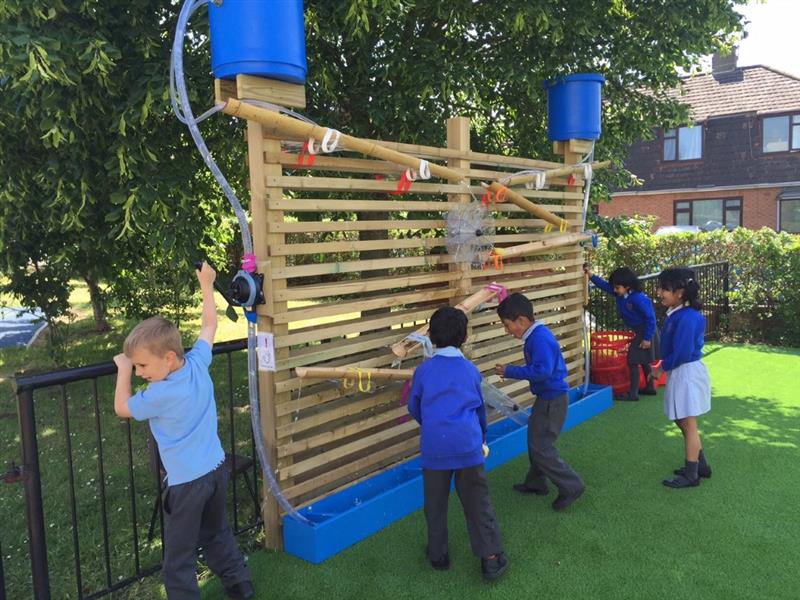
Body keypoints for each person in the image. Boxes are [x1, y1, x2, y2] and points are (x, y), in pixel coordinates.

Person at [113, 263, 254, 600]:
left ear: (169, 357)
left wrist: (121, 371)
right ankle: (241, 587)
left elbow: (122, 408)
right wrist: (207, 284)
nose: (139, 372)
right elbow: (209, 325)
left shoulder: (159, 394)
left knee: (178, 557)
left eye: (142, 366)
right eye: (135, 367)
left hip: (187, 485)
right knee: (217, 533)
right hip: (217, 471)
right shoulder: (195, 363)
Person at [407, 306, 508, 581]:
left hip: (434, 448)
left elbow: (414, 406)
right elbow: (479, 411)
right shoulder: (470, 371)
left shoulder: (423, 371)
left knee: (435, 505)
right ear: (464, 338)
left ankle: (438, 555)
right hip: (467, 445)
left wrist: (432, 426)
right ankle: (490, 559)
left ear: (431, 336)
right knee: (478, 502)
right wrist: (481, 437)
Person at [494, 293, 585, 511]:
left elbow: (542, 371)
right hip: (548, 397)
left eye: (507, 325)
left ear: (522, 321)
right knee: (536, 441)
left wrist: (510, 370)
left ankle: (572, 485)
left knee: (541, 447)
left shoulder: (540, 338)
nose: (507, 330)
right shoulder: (537, 335)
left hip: (552, 400)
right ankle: (536, 483)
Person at [653, 267, 712, 488]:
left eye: (664, 289)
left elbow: (683, 352)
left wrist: (661, 367)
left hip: (686, 372)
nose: (659, 292)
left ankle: (691, 474)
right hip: (682, 371)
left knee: (687, 423)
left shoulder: (686, 317)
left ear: (680, 293)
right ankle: (699, 465)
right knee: (682, 420)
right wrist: (664, 365)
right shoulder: (680, 313)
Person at [586, 266, 661, 401]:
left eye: (617, 287)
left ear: (627, 286)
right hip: (641, 331)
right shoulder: (620, 293)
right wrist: (591, 275)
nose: (614, 290)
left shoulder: (638, 298)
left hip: (645, 331)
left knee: (632, 359)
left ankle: (633, 394)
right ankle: (650, 387)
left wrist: (647, 338)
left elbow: (650, 318)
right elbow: (604, 286)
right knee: (643, 360)